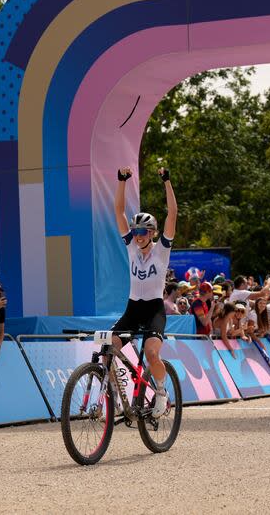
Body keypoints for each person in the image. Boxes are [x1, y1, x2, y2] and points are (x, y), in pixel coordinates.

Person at [111, 165, 177, 418]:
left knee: (151, 352)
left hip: (153, 310)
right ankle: (115, 394)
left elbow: (173, 212)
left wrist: (166, 181)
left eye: (142, 232)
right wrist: (121, 181)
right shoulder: (130, 247)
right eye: (135, 231)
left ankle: (161, 392)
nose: (137, 235)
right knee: (108, 351)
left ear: (152, 233)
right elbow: (118, 211)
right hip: (132, 308)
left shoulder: (162, 250)